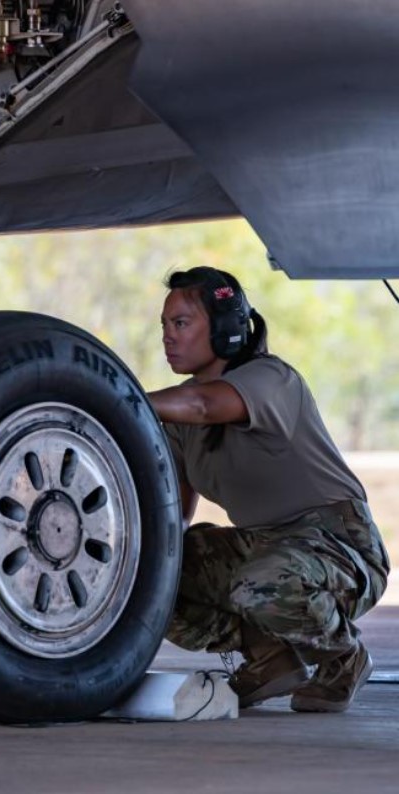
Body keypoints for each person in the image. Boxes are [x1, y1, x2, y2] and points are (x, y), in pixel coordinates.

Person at [148, 266, 389, 712]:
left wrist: (116, 395)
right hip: (266, 548)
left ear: (222, 329)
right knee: (155, 573)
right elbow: (175, 515)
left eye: (180, 323)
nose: (167, 336)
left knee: (261, 582)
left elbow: (205, 405)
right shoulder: (181, 417)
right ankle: (268, 657)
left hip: (338, 545)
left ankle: (344, 656)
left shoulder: (271, 379)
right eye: (164, 324)